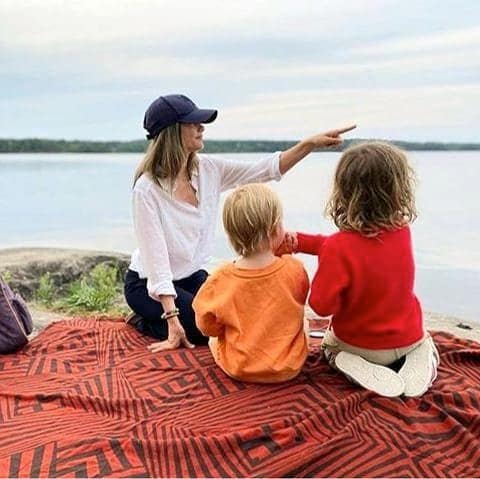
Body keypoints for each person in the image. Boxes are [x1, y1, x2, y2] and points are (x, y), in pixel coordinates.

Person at [123, 93, 355, 352]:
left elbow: (265, 169)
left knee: (244, 318)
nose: (201, 128)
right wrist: (172, 320)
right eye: (193, 123)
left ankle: (176, 317)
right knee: (204, 333)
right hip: (148, 286)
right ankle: (145, 321)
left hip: (191, 277)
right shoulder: (147, 189)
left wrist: (309, 145)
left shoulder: (207, 170)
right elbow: (156, 262)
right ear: (171, 132)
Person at [278, 141, 439, 397]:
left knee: (329, 346)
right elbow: (361, 251)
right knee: (422, 336)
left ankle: (347, 360)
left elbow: (321, 306)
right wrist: (301, 242)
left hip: (358, 345)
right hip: (408, 337)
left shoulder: (337, 248)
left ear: (343, 191)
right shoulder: (402, 232)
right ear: (398, 189)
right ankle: (420, 356)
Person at [192, 183, 309, 383]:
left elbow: (206, 326)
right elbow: (298, 299)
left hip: (240, 368)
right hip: (289, 368)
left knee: (214, 339)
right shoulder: (295, 268)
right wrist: (282, 254)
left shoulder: (220, 279)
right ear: (274, 229)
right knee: (303, 321)